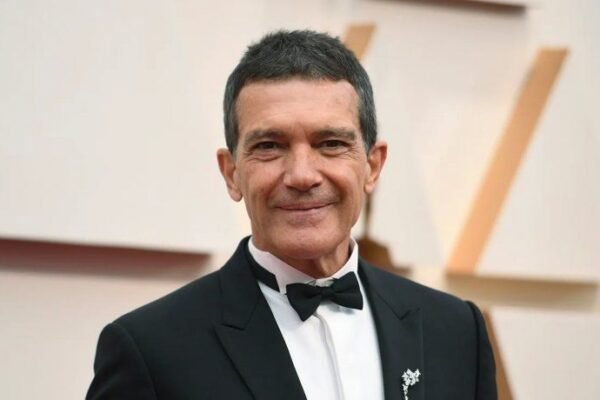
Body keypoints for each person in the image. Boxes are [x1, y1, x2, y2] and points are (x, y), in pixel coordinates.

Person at [86, 30, 497, 400]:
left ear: (372, 166)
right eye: (269, 146)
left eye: (331, 143)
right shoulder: (151, 350)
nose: (302, 175)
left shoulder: (456, 330)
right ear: (232, 173)